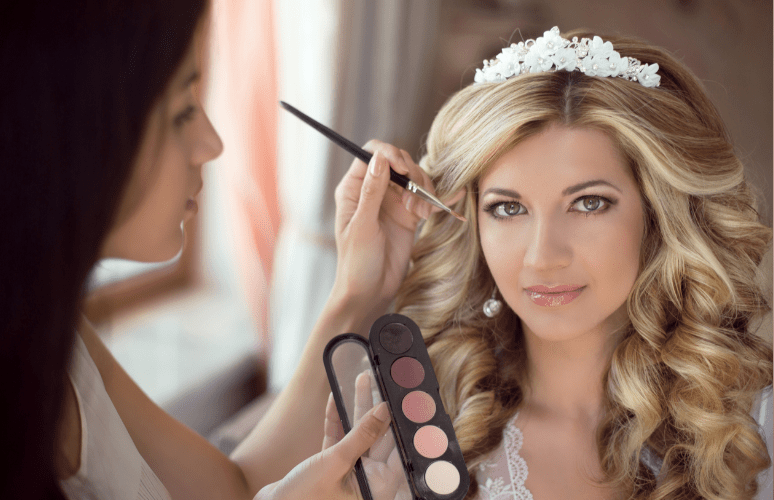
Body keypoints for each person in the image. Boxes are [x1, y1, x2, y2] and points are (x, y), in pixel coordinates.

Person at [0, 1, 433, 498]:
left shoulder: (57, 338)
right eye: (182, 112)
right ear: (72, 130)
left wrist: (356, 292)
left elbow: (231, 486)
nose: (213, 144)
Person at [330, 27, 772, 499]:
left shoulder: (750, 427)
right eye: (508, 208)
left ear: (657, 214)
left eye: (589, 204)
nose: (543, 258)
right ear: (471, 220)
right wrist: (354, 294)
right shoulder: (404, 422)